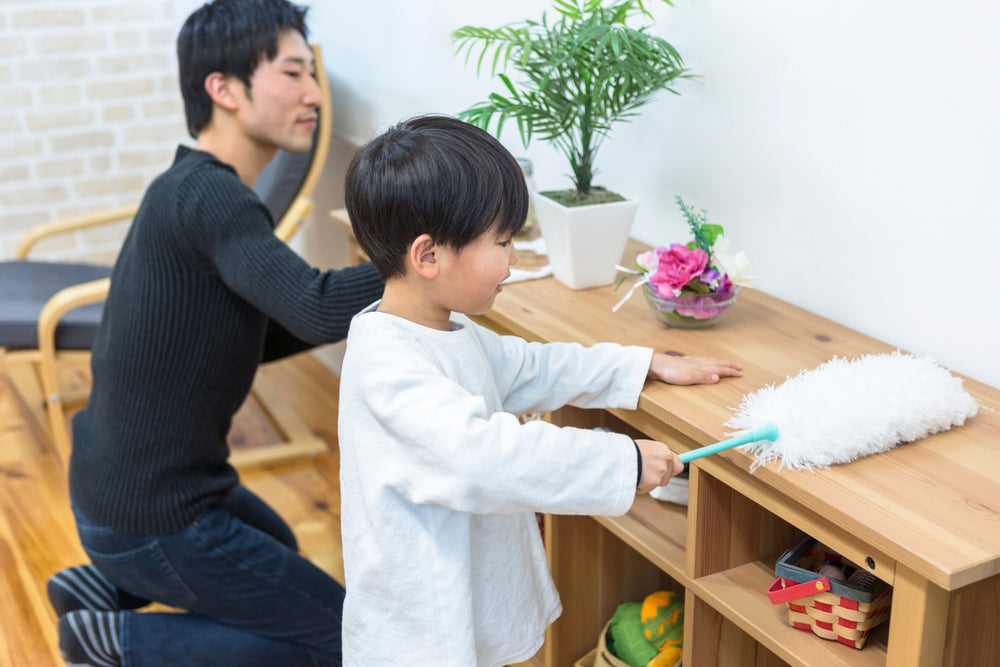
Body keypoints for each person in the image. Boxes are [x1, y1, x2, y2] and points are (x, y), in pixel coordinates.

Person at [46, 1, 383, 665]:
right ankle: (118, 641)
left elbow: (249, 336)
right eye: (293, 74)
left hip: (122, 492)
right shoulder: (215, 197)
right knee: (346, 642)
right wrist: (422, 263)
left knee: (278, 543)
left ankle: (108, 585)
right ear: (223, 89)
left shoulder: (185, 186)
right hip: (152, 514)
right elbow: (314, 307)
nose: (314, 94)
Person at [338, 115, 742, 667]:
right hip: (421, 636)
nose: (513, 259)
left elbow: (531, 367)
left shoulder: (446, 330)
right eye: (502, 241)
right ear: (428, 256)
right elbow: (484, 459)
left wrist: (640, 365)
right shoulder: (389, 368)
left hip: (462, 613)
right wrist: (620, 462)